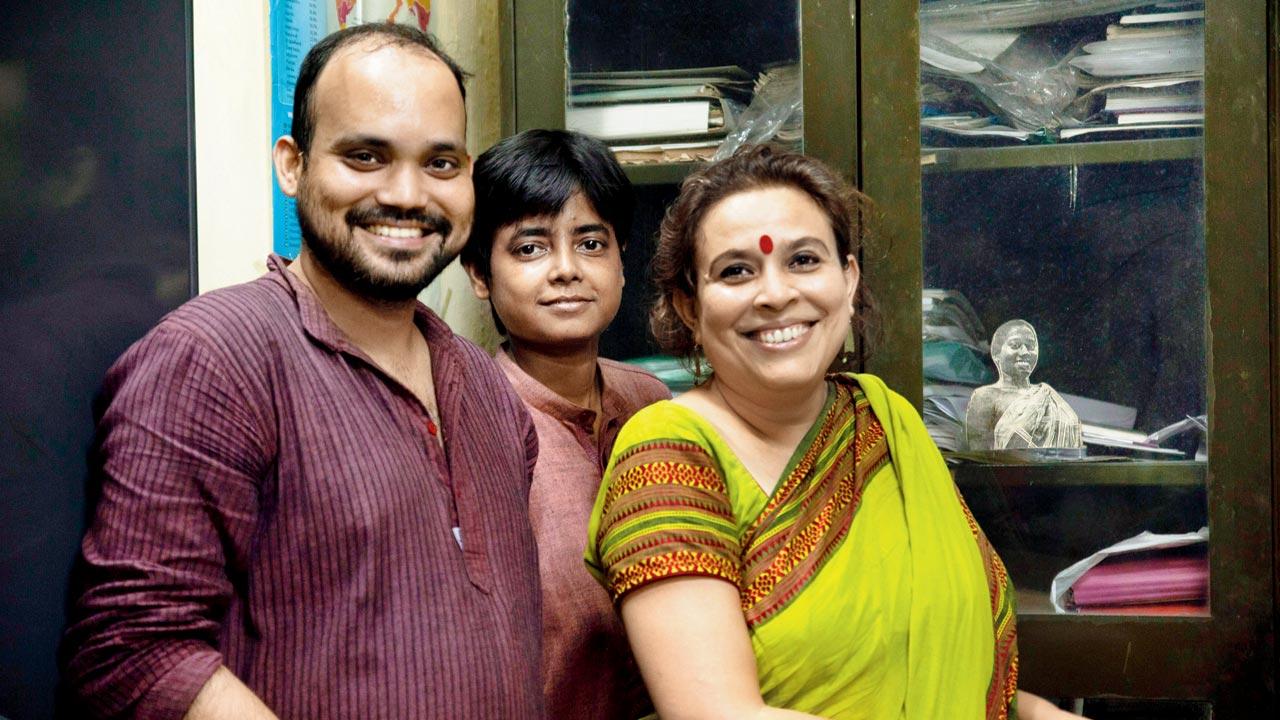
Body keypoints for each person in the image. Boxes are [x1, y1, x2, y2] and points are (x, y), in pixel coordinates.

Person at [59, 23, 544, 719]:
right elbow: (133, 652)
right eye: (367, 156)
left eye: (440, 163)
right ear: (293, 165)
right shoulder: (212, 359)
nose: (408, 194)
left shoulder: (487, 386)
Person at [585, 145, 1087, 719]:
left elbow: (938, 671)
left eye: (803, 261)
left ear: (848, 280)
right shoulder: (666, 456)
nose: (775, 294)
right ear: (690, 308)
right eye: (736, 271)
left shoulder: (883, 421)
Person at [461, 129, 670, 719]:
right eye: (530, 248)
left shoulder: (651, 402)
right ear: (480, 274)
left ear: (621, 261)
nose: (565, 270)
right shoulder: (475, 421)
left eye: (590, 243)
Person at [964, 319, 1082, 451]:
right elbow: (980, 455)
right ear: (996, 354)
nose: (1025, 352)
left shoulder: (1050, 398)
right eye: (1015, 345)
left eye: (1030, 346)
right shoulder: (986, 396)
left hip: (1056, 470)